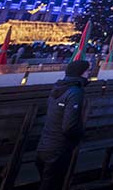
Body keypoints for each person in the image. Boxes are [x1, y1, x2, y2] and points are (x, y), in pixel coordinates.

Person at [36, 59, 90, 190]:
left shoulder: (57, 88)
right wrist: (80, 135)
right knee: (53, 183)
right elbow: (69, 126)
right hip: (59, 147)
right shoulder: (75, 92)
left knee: (47, 181)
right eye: (88, 71)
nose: (89, 74)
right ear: (81, 73)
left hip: (45, 144)